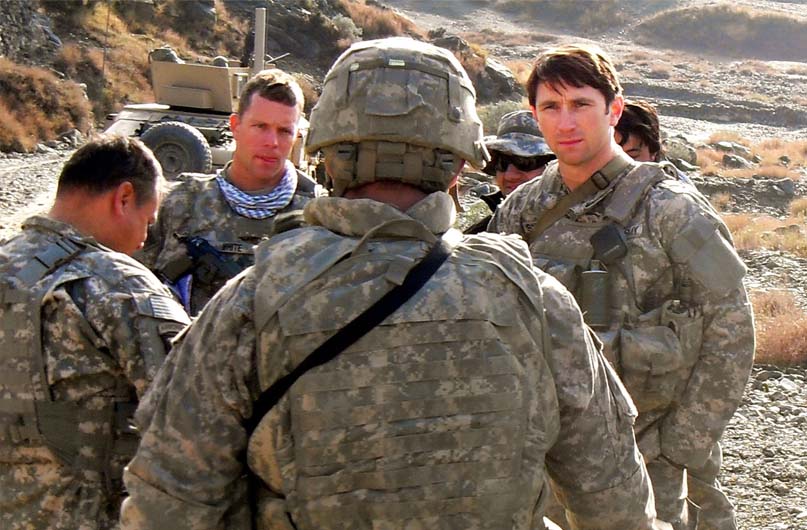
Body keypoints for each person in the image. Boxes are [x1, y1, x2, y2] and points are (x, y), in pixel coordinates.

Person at [120, 37, 665, 530]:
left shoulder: (251, 301)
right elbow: (615, 503)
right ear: (458, 164)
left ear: (327, 152)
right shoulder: (532, 297)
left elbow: (168, 504)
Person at [489, 43, 755, 530]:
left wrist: (684, 445)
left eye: (581, 104)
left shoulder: (672, 209)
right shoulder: (521, 211)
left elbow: (732, 330)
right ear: (534, 114)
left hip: (646, 454)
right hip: (549, 452)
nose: (566, 122)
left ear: (612, 109)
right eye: (551, 106)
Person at [0, 135, 190, 530]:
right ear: (123, 198)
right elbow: (198, 413)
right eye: (148, 220)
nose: (143, 240)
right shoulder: (120, 286)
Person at [617, 99, 733, 530]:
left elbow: (726, 323)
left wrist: (693, 426)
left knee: (701, 489)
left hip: (680, 395)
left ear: (653, 150)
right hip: (633, 401)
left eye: (631, 152)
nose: (622, 165)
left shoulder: (680, 208)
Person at [136, 68, 323, 315]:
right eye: (260, 126)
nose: (272, 142)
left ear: (296, 136)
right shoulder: (179, 203)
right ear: (235, 125)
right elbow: (134, 287)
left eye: (284, 131)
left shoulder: (317, 216)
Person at [465, 109, 555, 234]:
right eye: (501, 162)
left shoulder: (582, 224)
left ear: (554, 165)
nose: (509, 175)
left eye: (525, 162)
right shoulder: (485, 232)